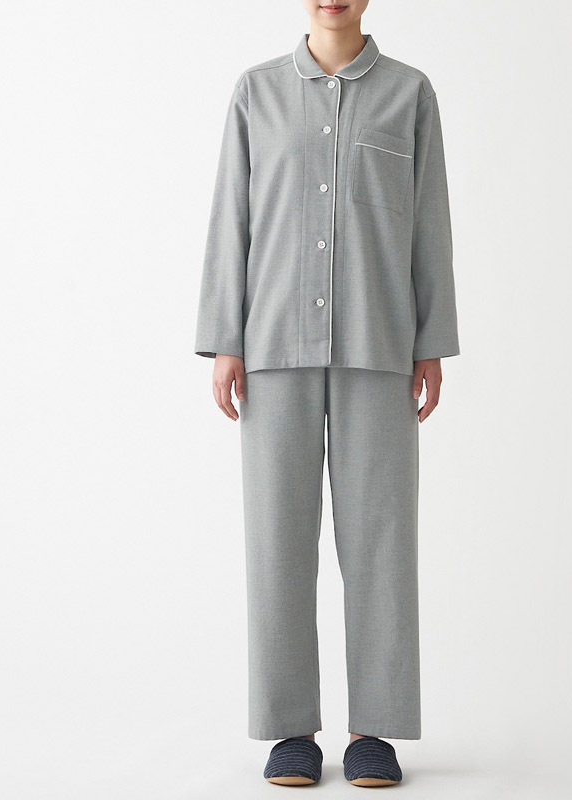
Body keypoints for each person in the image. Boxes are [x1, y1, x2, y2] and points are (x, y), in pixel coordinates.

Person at [194, 0, 460, 787]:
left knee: (381, 540)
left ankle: (374, 728)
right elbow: (231, 219)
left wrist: (431, 341)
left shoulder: (410, 94)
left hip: (381, 344)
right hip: (271, 345)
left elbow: (430, 223)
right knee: (277, 538)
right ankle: (290, 730)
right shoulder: (255, 93)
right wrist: (226, 338)